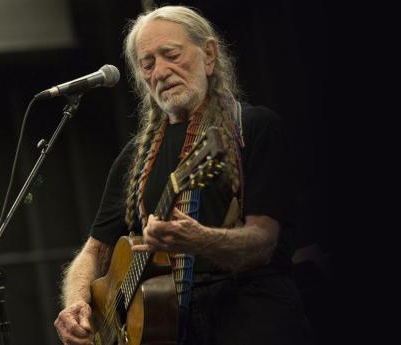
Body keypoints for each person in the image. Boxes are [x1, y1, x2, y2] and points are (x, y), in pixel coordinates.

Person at [54, 5, 313, 345]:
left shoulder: (251, 128)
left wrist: (198, 239)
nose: (160, 71)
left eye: (171, 55)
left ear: (208, 55)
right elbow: (93, 253)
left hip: (253, 318)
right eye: (148, 64)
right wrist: (76, 302)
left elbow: (263, 243)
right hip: (169, 328)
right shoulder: (134, 158)